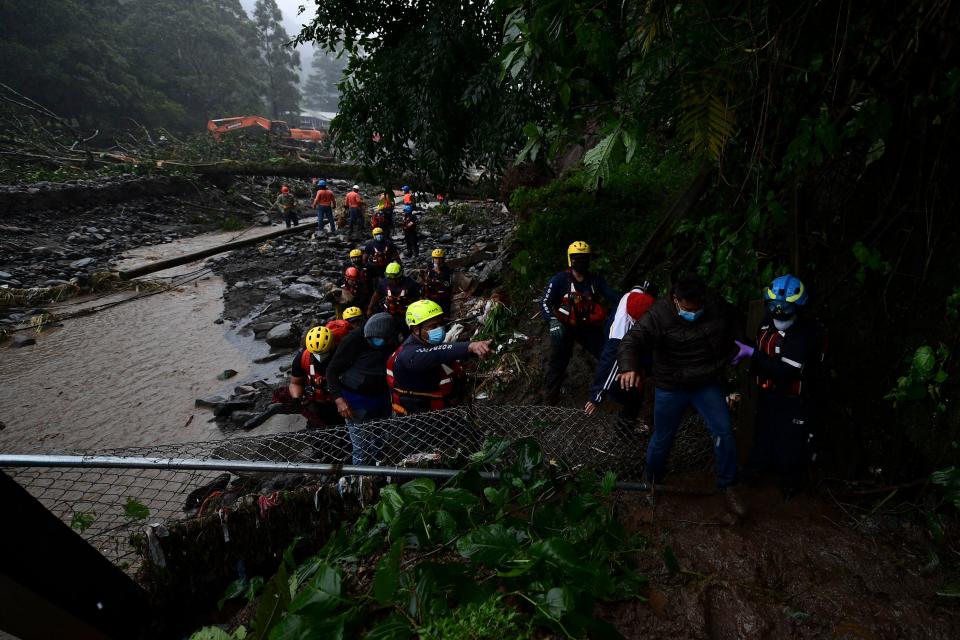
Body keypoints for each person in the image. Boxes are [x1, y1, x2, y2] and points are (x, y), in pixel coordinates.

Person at [617, 274, 746, 516]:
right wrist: (629, 367)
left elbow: (734, 319)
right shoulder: (659, 314)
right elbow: (631, 341)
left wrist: (738, 346)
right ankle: (652, 481)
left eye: (698, 307)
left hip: (706, 382)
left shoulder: (715, 305)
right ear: (676, 300)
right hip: (670, 386)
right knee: (662, 439)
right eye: (688, 308)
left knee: (724, 433)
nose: (694, 312)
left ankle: (727, 485)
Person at [732, 274, 827, 495]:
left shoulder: (806, 333)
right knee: (763, 433)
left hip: (795, 397)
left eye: (785, 306)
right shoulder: (766, 322)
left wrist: (752, 354)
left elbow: (786, 371)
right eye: (774, 304)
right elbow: (761, 349)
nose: (778, 311)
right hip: (768, 392)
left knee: (790, 441)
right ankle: (755, 471)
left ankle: (791, 485)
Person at [541, 241, 620, 404]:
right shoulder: (559, 280)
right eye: (577, 258)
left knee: (607, 354)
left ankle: (615, 392)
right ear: (571, 259)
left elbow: (612, 295)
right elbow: (544, 302)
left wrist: (629, 298)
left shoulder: (595, 280)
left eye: (584, 258)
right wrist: (553, 321)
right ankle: (549, 401)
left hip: (587, 327)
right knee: (558, 364)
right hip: (563, 327)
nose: (581, 261)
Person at [387, 299, 493, 417]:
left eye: (440, 324)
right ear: (416, 330)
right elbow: (435, 354)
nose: (440, 328)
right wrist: (469, 347)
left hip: (444, 413)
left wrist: (477, 350)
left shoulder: (428, 345)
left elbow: (443, 352)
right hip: (419, 424)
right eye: (433, 326)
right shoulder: (408, 354)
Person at [326, 312, 398, 465]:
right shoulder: (352, 340)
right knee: (361, 447)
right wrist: (338, 399)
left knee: (380, 442)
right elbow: (331, 371)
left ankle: (379, 475)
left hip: (382, 398)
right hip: (355, 402)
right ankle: (360, 479)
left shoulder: (392, 336)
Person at [584, 282, 658, 424]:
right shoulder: (638, 307)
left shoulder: (624, 301)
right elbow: (612, 357)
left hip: (630, 362)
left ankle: (626, 429)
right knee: (632, 396)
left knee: (633, 395)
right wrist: (597, 396)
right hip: (625, 369)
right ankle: (625, 431)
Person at [283, 325, 342, 429]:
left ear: (332, 345)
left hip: (341, 402)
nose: (319, 356)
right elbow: (295, 383)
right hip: (317, 403)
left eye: (323, 352)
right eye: (315, 353)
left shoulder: (342, 354)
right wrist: (298, 397)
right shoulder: (302, 358)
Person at [367, 262, 421, 331]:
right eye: (389, 278)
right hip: (389, 314)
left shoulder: (410, 284)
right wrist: (370, 308)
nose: (392, 280)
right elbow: (376, 295)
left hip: (406, 315)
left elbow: (419, 298)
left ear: (400, 275)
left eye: (394, 278)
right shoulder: (384, 283)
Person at [423, 248, 453, 315]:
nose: (438, 261)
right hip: (432, 297)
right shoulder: (429, 269)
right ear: (433, 259)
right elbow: (425, 282)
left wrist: (439, 275)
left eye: (440, 258)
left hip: (444, 298)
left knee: (445, 315)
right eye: (436, 258)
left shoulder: (446, 270)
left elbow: (448, 285)